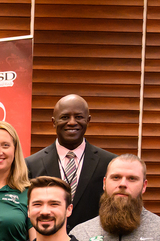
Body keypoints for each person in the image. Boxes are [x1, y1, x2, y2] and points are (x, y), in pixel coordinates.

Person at [26, 94, 117, 231]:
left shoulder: (109, 163)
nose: (72, 122)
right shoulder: (31, 164)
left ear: (88, 120)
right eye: (65, 117)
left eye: (79, 117)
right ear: (53, 122)